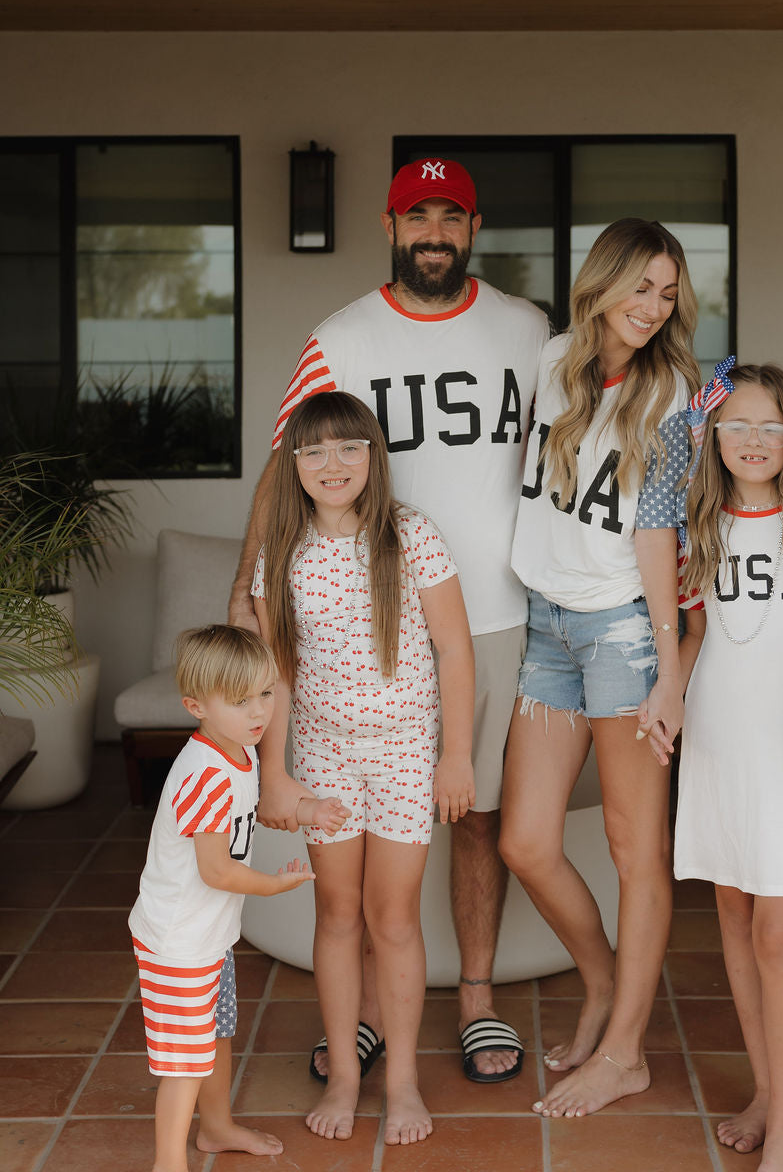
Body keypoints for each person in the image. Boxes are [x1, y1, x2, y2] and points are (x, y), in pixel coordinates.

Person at [228, 156, 548, 1089]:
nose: (434, 233)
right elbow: (284, 463)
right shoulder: (341, 337)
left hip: (494, 612)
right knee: (361, 852)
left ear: (474, 229)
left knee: (477, 815)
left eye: (451, 216)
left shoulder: (528, 329)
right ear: (390, 226)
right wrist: (244, 591)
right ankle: (366, 1013)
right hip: (367, 621)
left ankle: (477, 996)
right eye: (418, 217)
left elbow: (567, 449)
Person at [497, 217, 701, 1118]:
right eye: (640, 287)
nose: (653, 308)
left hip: (623, 633)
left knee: (635, 850)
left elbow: (658, 534)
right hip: (546, 626)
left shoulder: (672, 394)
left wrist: (669, 670)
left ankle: (626, 1053)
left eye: (668, 293)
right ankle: (606, 986)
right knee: (526, 841)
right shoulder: (552, 363)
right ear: (602, 283)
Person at [253, 391, 476, 1144]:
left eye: (350, 447)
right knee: (338, 914)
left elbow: (454, 650)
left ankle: (404, 1079)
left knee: (394, 918)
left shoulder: (410, 535)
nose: (333, 463)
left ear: (374, 457)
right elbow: (277, 671)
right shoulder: (282, 552)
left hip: (406, 752)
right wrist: (275, 772)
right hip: (324, 756)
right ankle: (348, 1075)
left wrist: (456, 756)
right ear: (294, 464)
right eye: (314, 450)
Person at [661, 363, 783, 1172]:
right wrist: (667, 696)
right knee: (735, 922)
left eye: (770, 426)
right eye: (735, 424)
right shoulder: (695, 521)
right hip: (719, 733)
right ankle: (768, 1094)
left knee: (779, 933)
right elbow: (697, 632)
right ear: (712, 435)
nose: (753, 440)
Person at [128, 624, 339, 1172]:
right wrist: (274, 885)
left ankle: (216, 1128)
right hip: (177, 944)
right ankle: (168, 1163)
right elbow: (217, 870)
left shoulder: (240, 753)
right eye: (240, 700)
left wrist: (309, 811)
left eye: (265, 693)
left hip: (208, 937)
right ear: (196, 706)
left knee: (215, 1036)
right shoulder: (204, 774)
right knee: (184, 1064)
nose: (259, 711)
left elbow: (255, 811)